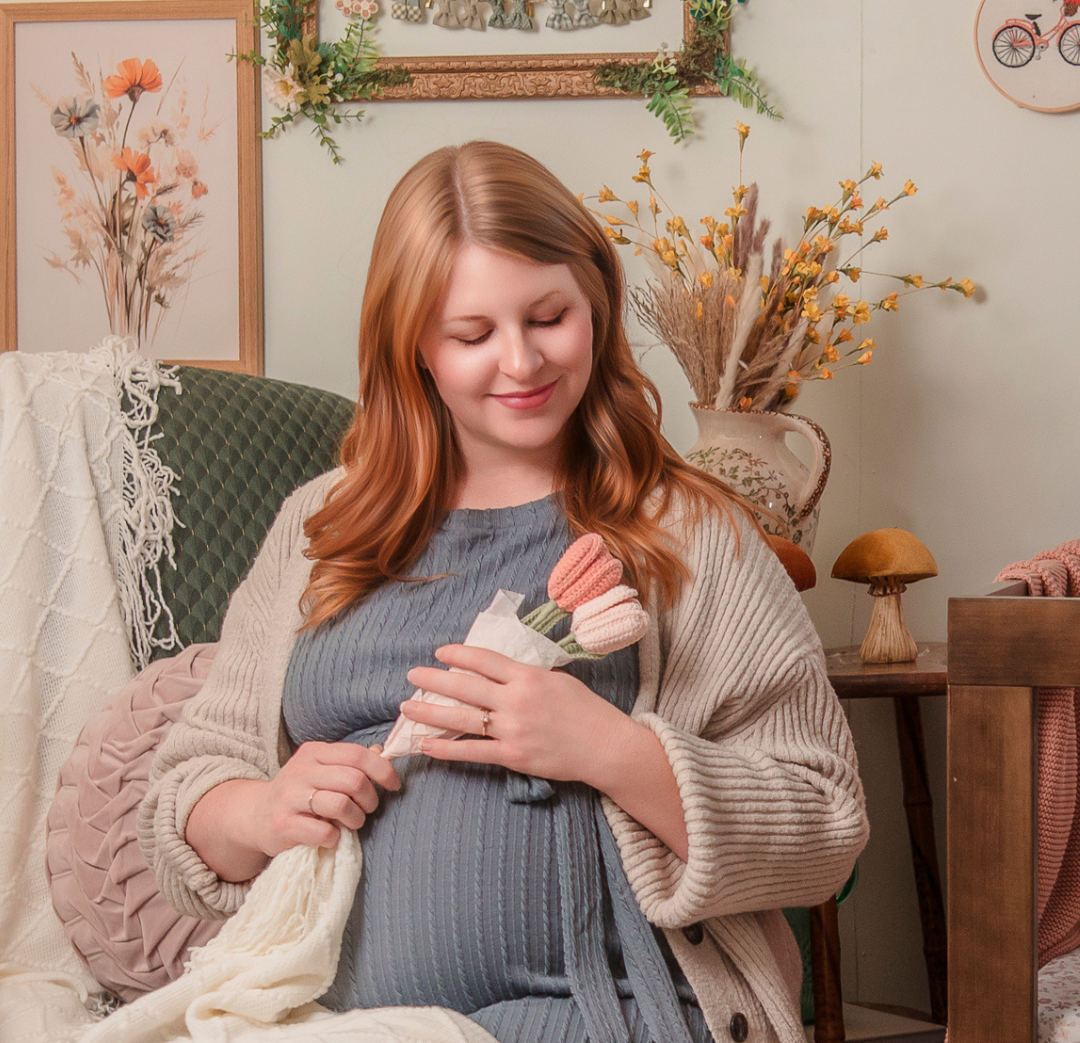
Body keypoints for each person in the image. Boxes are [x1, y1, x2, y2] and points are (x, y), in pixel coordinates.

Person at [139, 141, 868, 1043]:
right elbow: (185, 789)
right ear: (414, 348)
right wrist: (259, 809)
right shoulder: (317, 528)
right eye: (473, 335)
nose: (520, 362)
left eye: (549, 316)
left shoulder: (687, 531)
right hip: (325, 1012)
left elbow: (827, 827)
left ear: (595, 302)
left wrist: (611, 748)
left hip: (605, 1012)